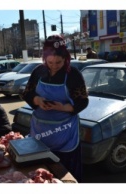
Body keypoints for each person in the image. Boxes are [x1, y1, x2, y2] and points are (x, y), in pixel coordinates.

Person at [21, 35, 89, 183]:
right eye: (50, 62)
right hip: (40, 131)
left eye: (58, 62)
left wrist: (64, 107)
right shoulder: (39, 71)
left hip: (65, 134)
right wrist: (37, 100)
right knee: (39, 173)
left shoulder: (73, 75)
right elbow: (26, 93)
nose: (54, 66)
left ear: (66, 58)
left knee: (64, 176)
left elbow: (83, 102)